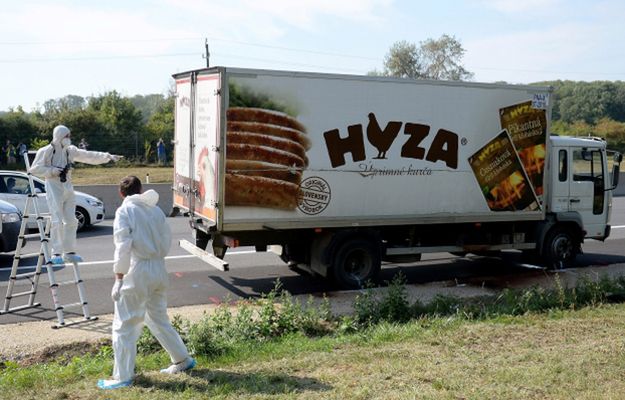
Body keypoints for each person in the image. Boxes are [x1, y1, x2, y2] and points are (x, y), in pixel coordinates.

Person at [97, 176, 195, 390]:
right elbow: (166, 240)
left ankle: (122, 376)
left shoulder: (125, 211)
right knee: (158, 318)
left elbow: (122, 245)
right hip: (159, 268)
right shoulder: (156, 210)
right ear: (141, 190)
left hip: (137, 270)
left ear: (121, 194)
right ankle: (182, 359)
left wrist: (119, 277)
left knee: (124, 325)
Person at [29, 125, 123, 264]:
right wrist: (53, 171)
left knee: (72, 221)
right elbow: (34, 169)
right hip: (54, 187)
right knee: (57, 220)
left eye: (69, 136)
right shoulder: (46, 151)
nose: (68, 138)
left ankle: (69, 251)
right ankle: (56, 253)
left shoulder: (70, 151)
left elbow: (88, 155)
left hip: (67, 186)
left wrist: (107, 157)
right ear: (59, 136)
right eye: (66, 136)